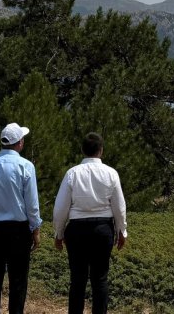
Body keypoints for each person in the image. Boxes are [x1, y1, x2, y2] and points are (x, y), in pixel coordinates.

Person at [53, 132, 127, 314]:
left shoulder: (72, 173)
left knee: (77, 279)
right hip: (103, 229)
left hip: (77, 229)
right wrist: (121, 231)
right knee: (100, 279)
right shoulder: (111, 173)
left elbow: (61, 207)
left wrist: (58, 233)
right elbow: (119, 206)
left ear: (82, 150)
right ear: (101, 150)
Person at [0, 123, 42, 314]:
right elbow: (32, 205)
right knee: (18, 281)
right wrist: (36, 231)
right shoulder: (26, 166)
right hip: (19, 230)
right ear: (19, 143)